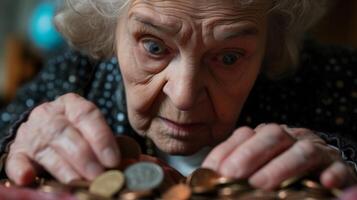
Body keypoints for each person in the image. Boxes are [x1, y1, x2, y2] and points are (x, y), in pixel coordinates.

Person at [1, 0, 357, 191]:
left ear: (272, 40)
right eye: (154, 46)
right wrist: (16, 140)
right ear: (111, 31)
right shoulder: (76, 74)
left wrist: (345, 163)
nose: (184, 97)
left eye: (229, 57)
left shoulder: (331, 78)